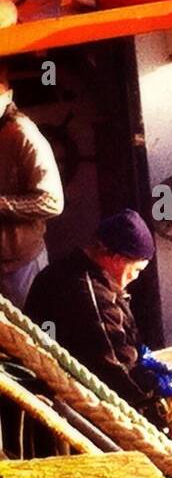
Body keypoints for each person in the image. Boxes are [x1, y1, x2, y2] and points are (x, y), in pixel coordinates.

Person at [24, 209, 172, 417]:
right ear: (117, 259)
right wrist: (166, 384)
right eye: (136, 270)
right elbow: (119, 379)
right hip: (61, 401)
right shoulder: (90, 295)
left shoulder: (71, 269)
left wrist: (139, 352)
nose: (135, 278)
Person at [0, 63, 64, 308]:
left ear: (9, 95)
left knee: (35, 336)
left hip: (21, 265)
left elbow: (52, 201)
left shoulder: (23, 134)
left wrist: (2, 204)